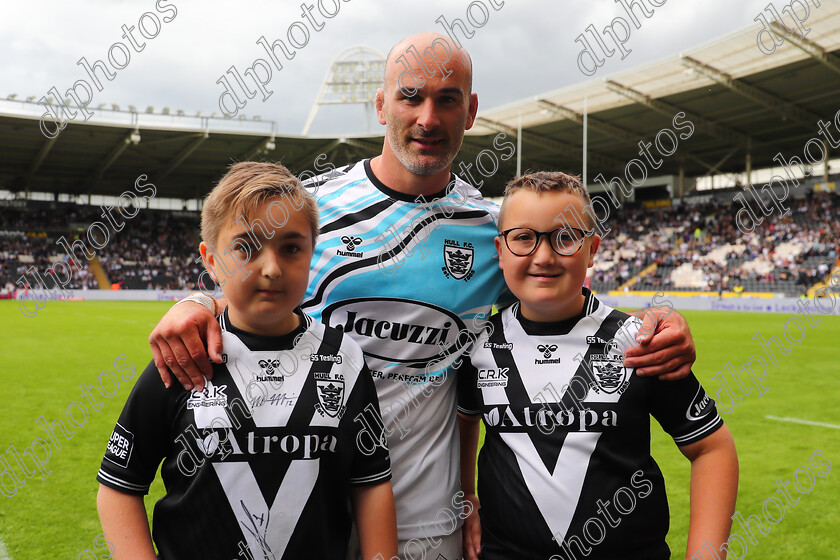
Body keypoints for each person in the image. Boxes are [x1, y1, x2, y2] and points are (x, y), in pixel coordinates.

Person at [148, 33, 699, 558]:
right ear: (382, 105)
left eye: (447, 100)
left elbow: (566, 300)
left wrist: (659, 319)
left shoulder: (496, 231)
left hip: (423, 519)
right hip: (304, 504)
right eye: (410, 97)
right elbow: (248, 283)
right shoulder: (308, 210)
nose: (428, 118)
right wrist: (197, 303)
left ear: (472, 110)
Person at [96, 162, 397, 560]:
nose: (272, 269)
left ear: (312, 253)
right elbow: (119, 485)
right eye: (246, 247)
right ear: (211, 259)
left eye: (291, 248)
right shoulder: (186, 356)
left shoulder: (344, 358)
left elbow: (370, 482)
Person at [458, 172, 738, 560]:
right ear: (500, 250)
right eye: (523, 237)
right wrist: (466, 494)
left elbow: (712, 448)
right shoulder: (474, 345)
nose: (543, 256)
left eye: (565, 238)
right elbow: (464, 419)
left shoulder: (641, 341)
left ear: (592, 250)